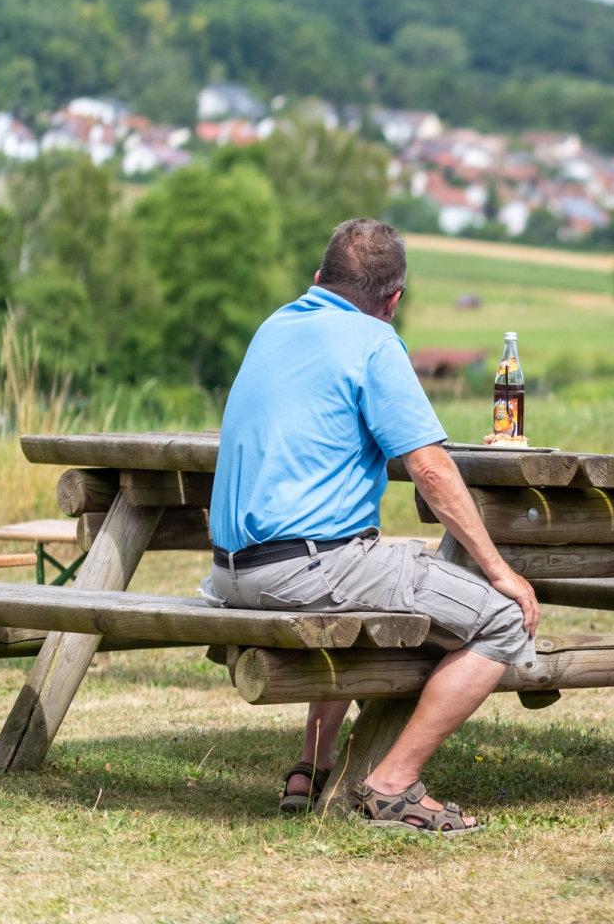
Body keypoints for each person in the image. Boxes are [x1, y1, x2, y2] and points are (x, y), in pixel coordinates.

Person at [202, 218, 538, 835]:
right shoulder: (375, 342)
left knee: (368, 564)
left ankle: (312, 766)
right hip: (305, 568)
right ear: (393, 301)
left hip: (229, 574)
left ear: (318, 278)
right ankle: (391, 785)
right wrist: (501, 571)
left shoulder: (274, 325)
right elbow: (430, 468)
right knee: (503, 619)